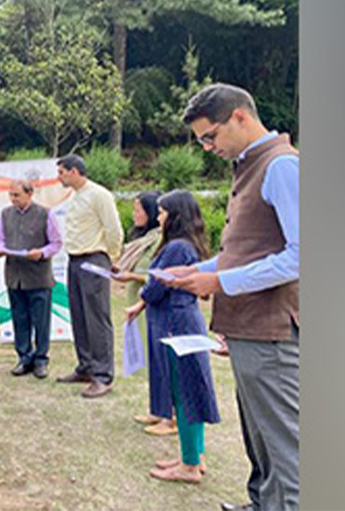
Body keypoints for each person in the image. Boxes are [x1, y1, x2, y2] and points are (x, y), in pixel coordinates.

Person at [162, 83, 300, 511]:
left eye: (210, 136)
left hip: (272, 331)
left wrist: (219, 283)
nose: (207, 147)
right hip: (249, 331)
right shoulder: (250, 165)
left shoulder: (280, 166)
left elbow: (299, 257)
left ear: (240, 116)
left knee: (285, 447)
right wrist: (198, 270)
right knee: (259, 439)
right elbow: (246, 250)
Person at [128, 190, 221, 484]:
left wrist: (144, 294)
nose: (159, 217)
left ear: (175, 216)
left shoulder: (177, 248)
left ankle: (190, 465)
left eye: (164, 213)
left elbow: (157, 286)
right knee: (187, 390)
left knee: (185, 393)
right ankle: (193, 455)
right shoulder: (182, 245)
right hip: (176, 319)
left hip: (175, 323)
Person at [54, 154, 124, 398]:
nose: (59, 177)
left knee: (96, 317)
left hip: (94, 258)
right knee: (79, 315)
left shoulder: (99, 195)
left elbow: (113, 229)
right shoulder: (76, 197)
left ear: (74, 171)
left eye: (62, 172)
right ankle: (85, 366)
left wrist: (112, 257)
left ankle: (103, 376)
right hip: (74, 260)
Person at [112, 191, 174, 435]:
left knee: (162, 359)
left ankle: (171, 416)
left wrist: (133, 276)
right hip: (141, 300)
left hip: (156, 303)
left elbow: (166, 275)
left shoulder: (164, 240)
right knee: (153, 360)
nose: (135, 214)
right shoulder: (146, 237)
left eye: (139, 209)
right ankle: (158, 410)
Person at [0, 179, 62, 379]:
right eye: (10, 195)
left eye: (17, 195)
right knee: (19, 319)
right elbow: (0, 239)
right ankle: (24, 357)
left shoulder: (45, 214)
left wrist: (41, 253)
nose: (13, 199)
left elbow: (56, 243)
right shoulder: (5, 214)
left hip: (38, 277)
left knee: (41, 321)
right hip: (15, 276)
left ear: (29, 194)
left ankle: (41, 360)